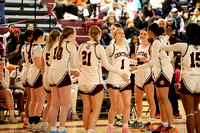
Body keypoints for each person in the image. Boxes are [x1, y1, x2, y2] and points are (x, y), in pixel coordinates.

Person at [73, 25, 129, 133]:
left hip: (83, 81)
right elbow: (107, 66)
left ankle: (86, 131)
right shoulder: (99, 48)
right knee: (96, 109)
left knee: (86, 108)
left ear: (89, 35)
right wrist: (121, 73)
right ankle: (91, 131)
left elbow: (75, 64)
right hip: (94, 81)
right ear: (99, 35)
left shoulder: (81, 46)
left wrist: (83, 67)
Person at [130, 23, 177, 133]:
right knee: (160, 99)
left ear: (150, 32)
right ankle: (164, 124)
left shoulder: (156, 42)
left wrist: (137, 67)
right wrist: (167, 36)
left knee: (164, 99)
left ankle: (172, 127)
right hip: (160, 70)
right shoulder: (160, 39)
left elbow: (153, 62)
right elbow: (167, 51)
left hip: (162, 71)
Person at [161, 23, 200, 133]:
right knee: (197, 110)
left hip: (188, 79)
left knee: (189, 113)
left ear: (187, 34)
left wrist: (167, 36)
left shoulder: (183, 46)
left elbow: (162, 47)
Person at [48, 26, 79, 133]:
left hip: (51, 73)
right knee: (65, 104)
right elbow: (75, 64)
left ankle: (52, 128)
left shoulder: (55, 44)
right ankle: (61, 129)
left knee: (54, 104)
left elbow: (51, 61)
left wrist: (69, 68)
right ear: (70, 35)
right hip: (62, 74)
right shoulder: (71, 45)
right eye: (75, 34)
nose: (76, 36)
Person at [106, 27, 132, 133]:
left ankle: (125, 127)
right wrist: (119, 73)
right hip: (114, 79)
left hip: (126, 79)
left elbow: (126, 61)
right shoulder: (110, 48)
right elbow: (106, 64)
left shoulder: (127, 48)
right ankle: (110, 126)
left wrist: (138, 62)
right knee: (115, 105)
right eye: (119, 33)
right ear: (115, 35)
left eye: (123, 33)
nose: (122, 34)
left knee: (127, 104)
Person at [129, 28, 156, 131]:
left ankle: (151, 122)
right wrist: (134, 59)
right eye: (141, 33)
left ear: (148, 36)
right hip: (138, 75)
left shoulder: (151, 47)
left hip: (148, 75)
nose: (142, 35)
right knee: (137, 100)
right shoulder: (137, 47)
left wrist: (147, 60)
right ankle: (139, 120)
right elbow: (137, 62)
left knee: (150, 99)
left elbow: (153, 62)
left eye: (144, 34)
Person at [41, 29, 61, 132]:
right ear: (58, 38)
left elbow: (42, 65)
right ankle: (51, 125)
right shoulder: (57, 48)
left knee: (49, 103)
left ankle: (44, 124)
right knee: (54, 104)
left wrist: (43, 76)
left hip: (46, 75)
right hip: (54, 76)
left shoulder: (44, 49)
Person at [27, 29, 46, 132]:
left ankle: (31, 123)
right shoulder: (37, 47)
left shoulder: (31, 45)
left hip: (31, 73)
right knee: (40, 100)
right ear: (39, 36)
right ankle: (37, 123)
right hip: (37, 74)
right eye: (43, 36)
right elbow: (39, 64)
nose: (44, 37)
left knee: (33, 100)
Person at [20, 30, 33, 129]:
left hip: (25, 71)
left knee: (30, 99)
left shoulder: (24, 46)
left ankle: (28, 120)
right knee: (31, 99)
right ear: (28, 37)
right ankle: (29, 120)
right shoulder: (30, 46)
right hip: (28, 71)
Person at [0, 58, 18, 124]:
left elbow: (6, 86)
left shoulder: (6, 71)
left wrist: (1, 79)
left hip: (2, 91)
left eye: (3, 64)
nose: (2, 66)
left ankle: (12, 117)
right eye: (0, 64)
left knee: (8, 92)